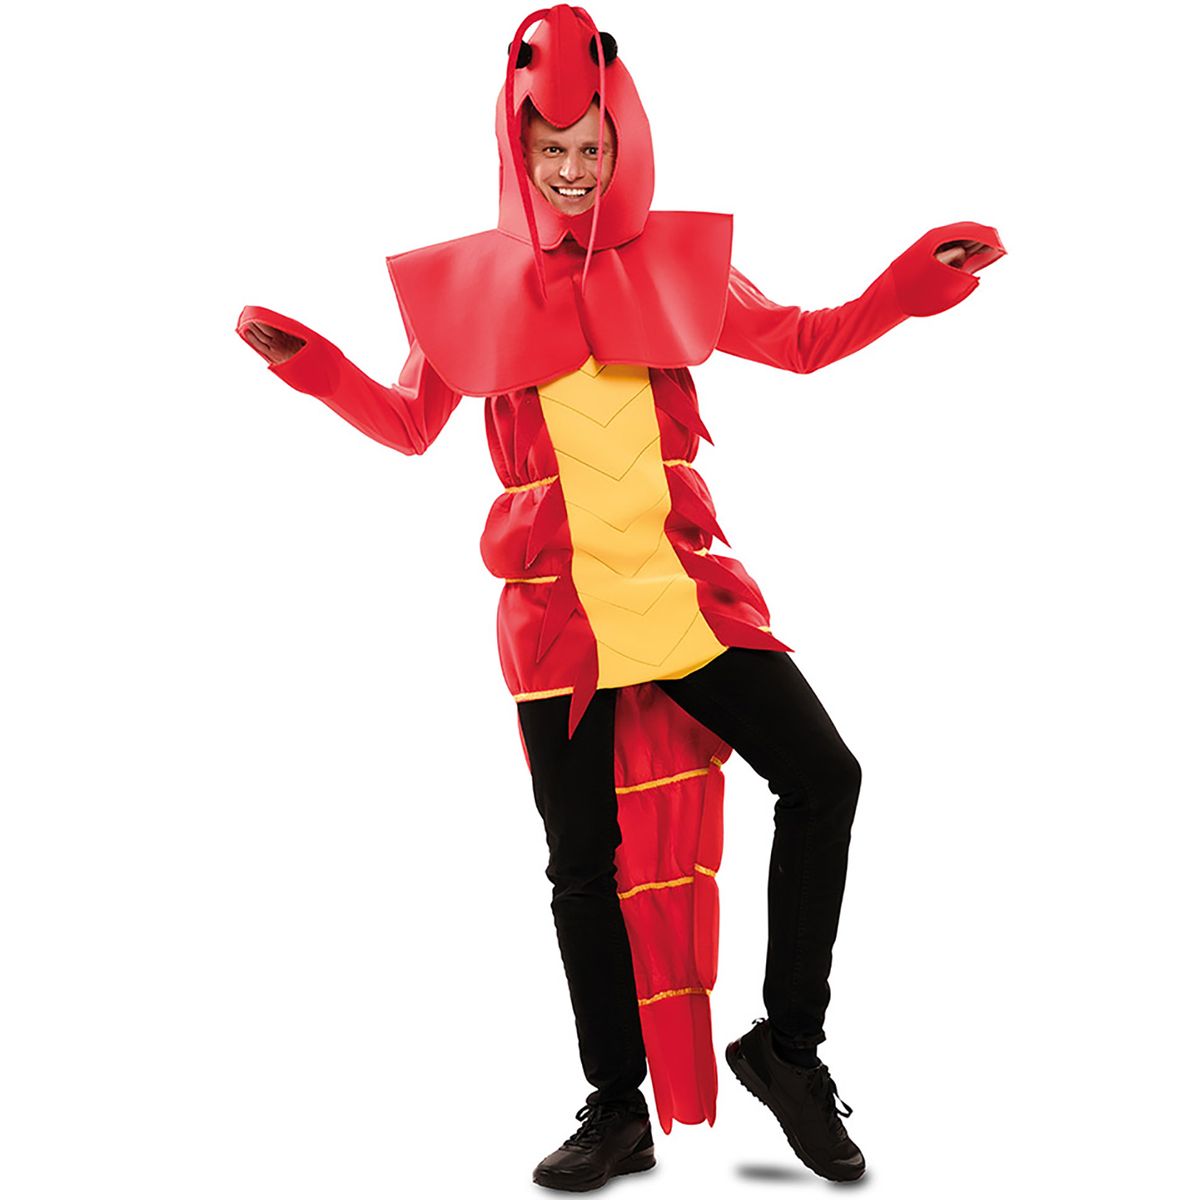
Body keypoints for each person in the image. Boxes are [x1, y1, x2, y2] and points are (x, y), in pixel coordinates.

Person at [237, 5, 1004, 1191]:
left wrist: (904, 287)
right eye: (551, 149)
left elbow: (801, 340)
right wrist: (316, 367)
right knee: (581, 866)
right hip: (559, 629)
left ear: (623, 140)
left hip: (685, 602)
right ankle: (614, 1108)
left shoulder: (675, 263)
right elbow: (407, 422)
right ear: (518, 147)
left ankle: (789, 1051)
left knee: (825, 777)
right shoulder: (470, 290)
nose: (573, 169)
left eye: (591, 146)